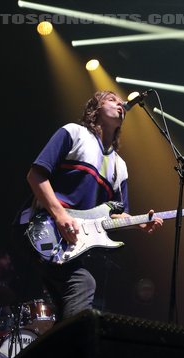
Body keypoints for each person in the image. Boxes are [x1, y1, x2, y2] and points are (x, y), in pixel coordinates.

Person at [21, 90, 163, 322]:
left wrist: (138, 224)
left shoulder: (120, 167)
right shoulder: (73, 133)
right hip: (44, 228)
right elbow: (35, 175)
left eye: (121, 102)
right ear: (95, 110)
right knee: (83, 284)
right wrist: (60, 216)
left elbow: (112, 216)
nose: (120, 105)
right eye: (112, 100)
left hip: (71, 244)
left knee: (65, 305)